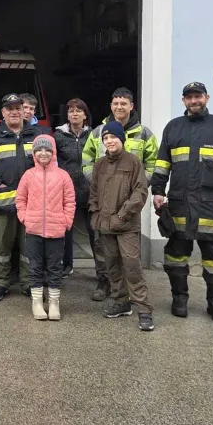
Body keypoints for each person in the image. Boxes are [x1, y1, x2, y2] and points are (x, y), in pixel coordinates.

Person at [151, 81, 213, 324]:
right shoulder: (173, 128)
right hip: (180, 203)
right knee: (176, 253)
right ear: (183, 101)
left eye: (198, 96)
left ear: (207, 98)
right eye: (189, 97)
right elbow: (162, 164)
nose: (194, 101)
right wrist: (158, 191)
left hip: (211, 204)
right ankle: (179, 298)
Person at [82, 87, 158, 302]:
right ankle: (104, 282)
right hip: (105, 200)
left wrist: (141, 185)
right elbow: (86, 158)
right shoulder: (98, 132)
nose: (119, 107)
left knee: (129, 253)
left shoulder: (144, 133)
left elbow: (153, 162)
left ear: (131, 106)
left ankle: (132, 291)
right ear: (111, 106)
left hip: (129, 202)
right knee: (103, 248)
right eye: (115, 103)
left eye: (123, 103)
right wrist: (95, 181)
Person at [89, 122, 154, 332]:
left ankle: (144, 309)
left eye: (113, 137)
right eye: (106, 139)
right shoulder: (99, 165)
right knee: (112, 266)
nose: (109, 141)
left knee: (131, 264)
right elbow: (94, 193)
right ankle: (120, 302)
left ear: (121, 139)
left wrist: (123, 214)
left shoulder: (134, 162)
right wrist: (95, 214)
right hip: (105, 225)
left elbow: (140, 192)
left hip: (126, 225)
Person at [0, 93, 38, 301]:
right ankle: (1, 283)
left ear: (24, 111)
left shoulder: (36, 134)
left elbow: (48, 163)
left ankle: (29, 283)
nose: (14, 112)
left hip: (32, 204)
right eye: (9, 109)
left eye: (18, 108)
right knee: (1, 246)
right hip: (3, 201)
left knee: (29, 246)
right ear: (3, 113)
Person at [16, 135, 75, 321]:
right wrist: (25, 218)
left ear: (53, 152)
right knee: (35, 267)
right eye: (39, 150)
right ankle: (37, 302)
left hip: (56, 231)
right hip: (33, 230)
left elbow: (70, 201)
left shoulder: (63, 176)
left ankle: (54, 302)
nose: (43, 153)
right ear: (34, 153)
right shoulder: (28, 175)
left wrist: (66, 222)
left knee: (55, 268)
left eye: (47, 150)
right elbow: (20, 199)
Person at [54, 98, 93, 278]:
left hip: (90, 190)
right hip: (66, 191)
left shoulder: (94, 135)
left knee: (94, 231)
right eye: (71, 111)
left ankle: (101, 270)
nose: (74, 114)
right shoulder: (58, 136)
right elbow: (52, 160)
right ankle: (66, 265)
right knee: (65, 230)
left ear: (85, 115)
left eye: (78, 111)